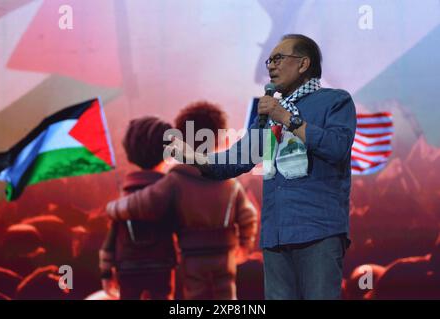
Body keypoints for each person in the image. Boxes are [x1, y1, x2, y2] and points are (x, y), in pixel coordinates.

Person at [163, 34, 357, 299]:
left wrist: (286, 118)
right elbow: (241, 157)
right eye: (269, 60)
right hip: (275, 235)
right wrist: (196, 157)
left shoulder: (335, 101)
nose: (271, 66)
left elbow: (337, 148)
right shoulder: (266, 115)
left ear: (303, 64)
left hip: (318, 230)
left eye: (278, 59)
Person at [107, 101, 258, 300]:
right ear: (219, 138)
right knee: (226, 295)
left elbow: (141, 204)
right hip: (225, 253)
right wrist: (244, 246)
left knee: (196, 294)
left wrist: (114, 208)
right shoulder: (229, 183)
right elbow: (248, 216)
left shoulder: (175, 182)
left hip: (192, 254)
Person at [99, 116, 178, 300]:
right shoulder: (169, 193)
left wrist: (105, 272)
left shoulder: (125, 195)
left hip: (127, 265)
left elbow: (111, 237)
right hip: (162, 263)